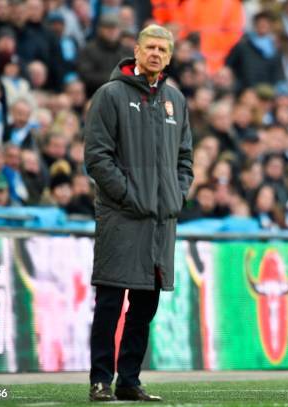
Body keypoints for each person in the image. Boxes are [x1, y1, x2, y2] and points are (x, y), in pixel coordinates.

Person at [84, 24, 193, 402]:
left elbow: (185, 159)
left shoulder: (175, 101)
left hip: (162, 221)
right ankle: (100, 379)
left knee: (146, 305)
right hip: (120, 216)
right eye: (151, 47)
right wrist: (129, 196)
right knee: (111, 301)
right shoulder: (110, 95)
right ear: (136, 49)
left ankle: (129, 380)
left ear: (169, 56)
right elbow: (97, 156)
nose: (156, 54)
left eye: (163, 49)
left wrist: (177, 195)